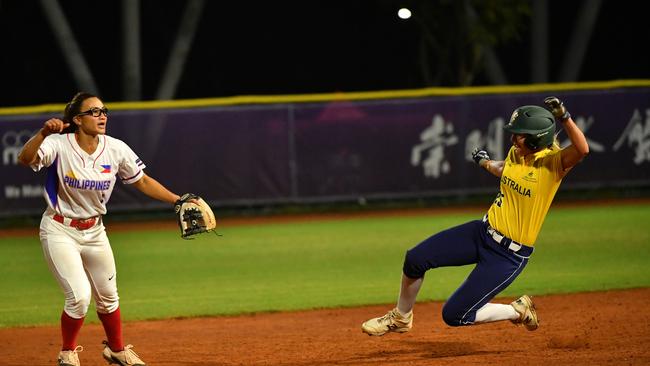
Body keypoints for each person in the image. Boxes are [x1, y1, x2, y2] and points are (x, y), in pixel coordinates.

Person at [361, 96, 589, 336]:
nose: (512, 138)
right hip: (481, 233)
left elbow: (582, 149)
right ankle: (400, 317)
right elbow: (506, 170)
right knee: (416, 258)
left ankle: (517, 311)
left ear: (535, 139)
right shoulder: (516, 153)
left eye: (518, 134)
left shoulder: (553, 164)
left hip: (507, 256)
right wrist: (485, 162)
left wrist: (564, 117)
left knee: (455, 315)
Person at [18, 92, 184, 366]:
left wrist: (177, 200)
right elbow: (25, 159)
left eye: (103, 110)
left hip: (95, 231)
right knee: (80, 297)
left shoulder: (116, 148)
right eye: (94, 112)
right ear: (77, 120)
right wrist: (43, 134)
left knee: (109, 297)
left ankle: (116, 350)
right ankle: (68, 352)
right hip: (60, 230)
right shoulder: (59, 144)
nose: (102, 115)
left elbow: (142, 181)